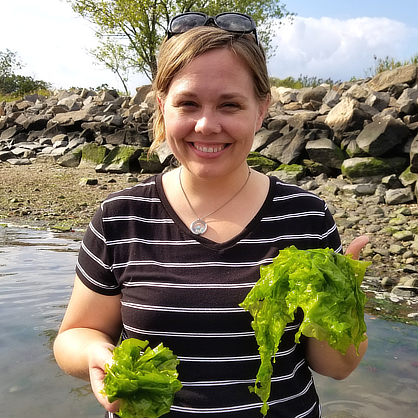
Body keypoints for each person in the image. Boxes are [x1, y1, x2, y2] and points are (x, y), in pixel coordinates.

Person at [54, 11, 368, 418]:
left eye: (229, 104)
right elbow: (75, 335)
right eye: (188, 103)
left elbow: (337, 367)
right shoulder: (120, 217)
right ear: (162, 105)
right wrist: (97, 352)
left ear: (261, 109)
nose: (206, 125)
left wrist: (339, 300)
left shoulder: (306, 217)